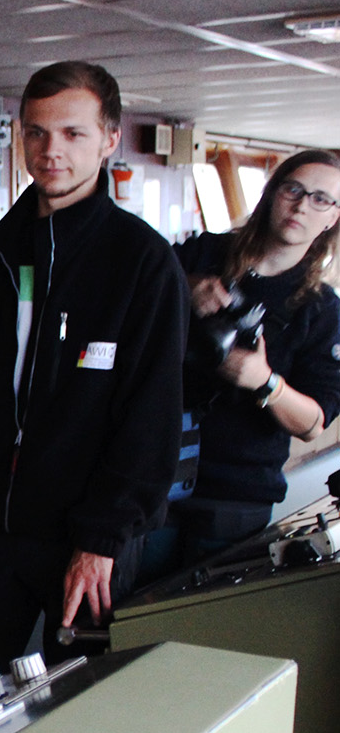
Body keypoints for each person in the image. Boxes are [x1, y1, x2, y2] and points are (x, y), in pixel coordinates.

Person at [0, 61, 188, 675]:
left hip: (89, 539)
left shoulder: (143, 264)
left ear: (109, 139)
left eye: (73, 134)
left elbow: (151, 421)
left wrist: (102, 541)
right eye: (38, 133)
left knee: (82, 708)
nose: (52, 152)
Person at [141, 150, 340, 576]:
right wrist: (187, 287)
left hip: (235, 496)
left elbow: (314, 422)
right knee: (126, 619)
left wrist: (265, 382)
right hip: (153, 471)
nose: (303, 205)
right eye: (294, 190)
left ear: (332, 219)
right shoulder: (202, 254)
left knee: (205, 624)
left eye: (322, 199)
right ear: (272, 194)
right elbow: (127, 291)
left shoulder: (320, 309)